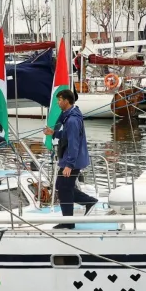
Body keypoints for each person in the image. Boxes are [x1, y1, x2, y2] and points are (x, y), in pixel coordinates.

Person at [43, 89, 97, 228]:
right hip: (72, 159)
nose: (58, 102)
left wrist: (69, 165)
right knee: (63, 186)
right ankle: (88, 202)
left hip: (72, 160)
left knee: (63, 188)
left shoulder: (72, 120)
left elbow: (74, 143)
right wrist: (53, 133)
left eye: (60, 100)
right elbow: (66, 135)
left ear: (66, 101)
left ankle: (69, 222)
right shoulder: (70, 115)